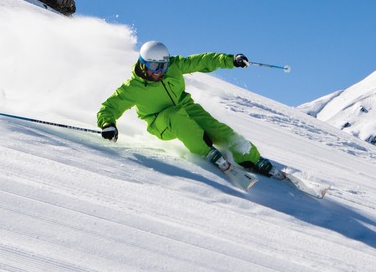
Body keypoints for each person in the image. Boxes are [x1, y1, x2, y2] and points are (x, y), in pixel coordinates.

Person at [97, 41, 283, 178]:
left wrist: (230, 60)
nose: (159, 71)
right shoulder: (133, 87)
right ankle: (206, 151)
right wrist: (108, 123)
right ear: (143, 64)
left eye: (163, 65)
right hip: (160, 122)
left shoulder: (173, 67)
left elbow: (201, 61)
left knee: (219, 130)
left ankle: (253, 158)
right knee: (176, 117)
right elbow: (111, 106)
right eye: (154, 66)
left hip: (186, 107)